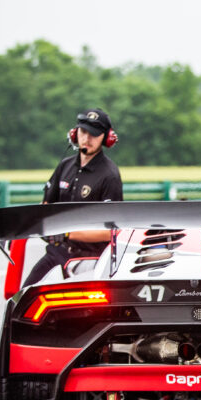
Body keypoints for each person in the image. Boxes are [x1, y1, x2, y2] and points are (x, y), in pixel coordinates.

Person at [23, 108, 124, 287]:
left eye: (94, 134)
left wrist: (68, 233)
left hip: (91, 259)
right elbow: (46, 205)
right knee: (25, 295)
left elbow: (112, 232)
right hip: (57, 253)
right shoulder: (65, 166)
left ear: (107, 138)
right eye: (83, 132)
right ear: (74, 133)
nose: (87, 138)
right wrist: (42, 226)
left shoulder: (110, 175)